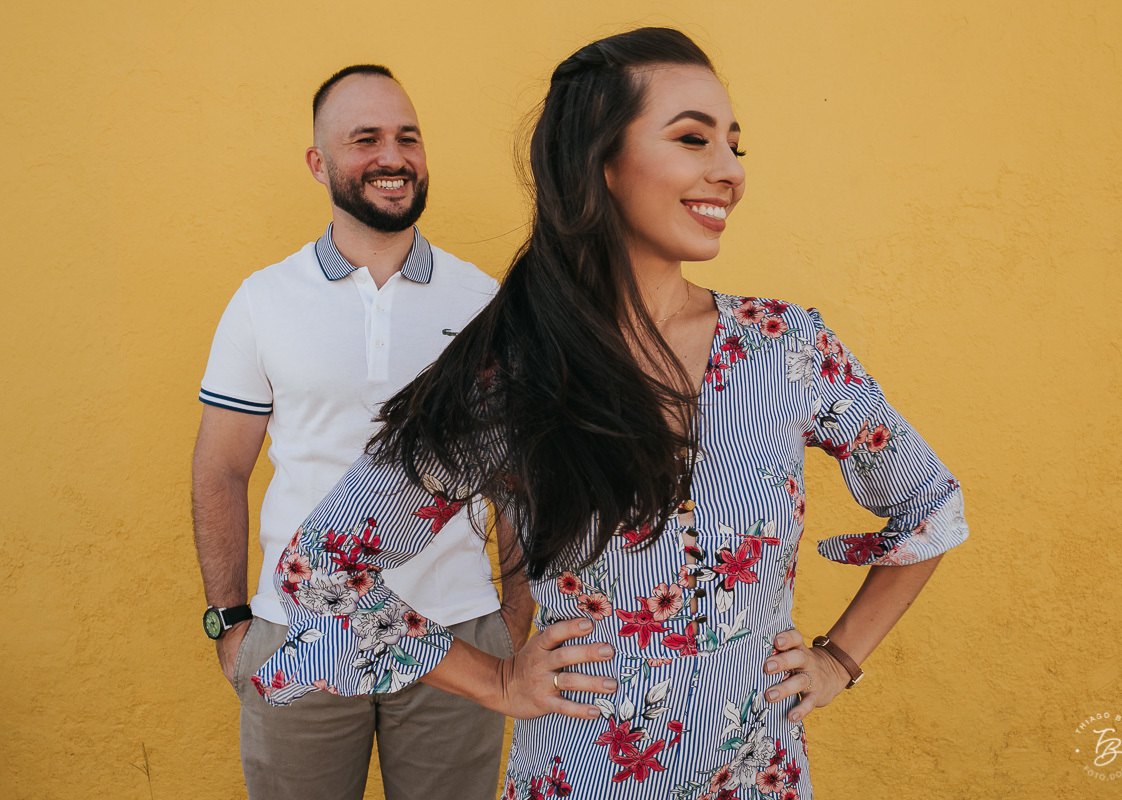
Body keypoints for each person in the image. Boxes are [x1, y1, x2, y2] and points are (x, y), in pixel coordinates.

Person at [250, 29, 970, 799]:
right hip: (577, 780)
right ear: (601, 165)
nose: (728, 171)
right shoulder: (516, 374)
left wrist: (839, 659)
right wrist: (496, 680)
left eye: (734, 144)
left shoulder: (786, 348)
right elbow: (325, 565)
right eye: (693, 138)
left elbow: (929, 506)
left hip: (761, 782)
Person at [191, 64, 534, 800]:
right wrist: (230, 623)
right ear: (319, 164)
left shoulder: (483, 302)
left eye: (407, 137)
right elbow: (221, 467)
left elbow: (518, 476)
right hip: (301, 630)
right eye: (366, 139)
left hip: (457, 634)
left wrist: (512, 616)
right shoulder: (264, 301)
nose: (392, 156)